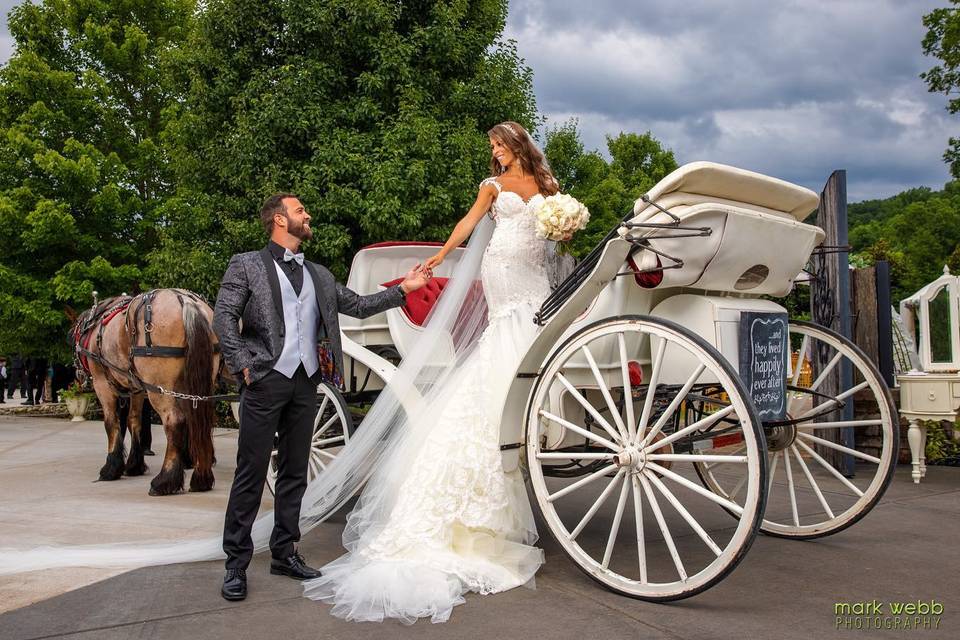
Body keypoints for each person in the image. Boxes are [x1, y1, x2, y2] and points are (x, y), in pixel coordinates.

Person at [301, 121, 561, 624]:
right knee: (500, 351)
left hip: (534, 277)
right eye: (492, 148)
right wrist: (441, 256)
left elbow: (555, 234)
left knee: (528, 333)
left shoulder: (548, 187)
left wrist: (565, 225)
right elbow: (468, 225)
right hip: (504, 277)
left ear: (517, 146)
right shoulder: (493, 188)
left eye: (499, 147)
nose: (495, 155)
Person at [212, 193, 430, 602]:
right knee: (251, 472)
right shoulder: (246, 264)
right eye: (299, 211)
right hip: (263, 380)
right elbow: (223, 316)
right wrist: (242, 363)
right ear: (279, 219)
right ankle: (235, 564)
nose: (306, 215)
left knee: (295, 472)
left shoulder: (320, 275)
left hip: (307, 382)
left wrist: (405, 289)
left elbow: (361, 306)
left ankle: (284, 552)